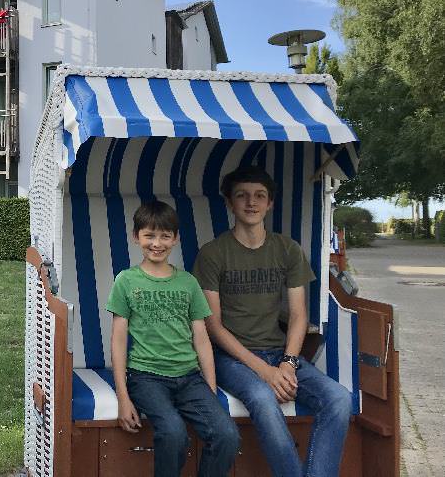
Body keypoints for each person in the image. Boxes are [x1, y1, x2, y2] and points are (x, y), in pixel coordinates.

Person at [193, 166, 352, 477]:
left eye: (259, 196)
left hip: (281, 354)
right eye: (242, 196)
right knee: (264, 398)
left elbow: (298, 315)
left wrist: (288, 364)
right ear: (229, 202)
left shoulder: (287, 249)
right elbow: (214, 326)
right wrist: (264, 370)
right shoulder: (213, 253)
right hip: (231, 358)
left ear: (270, 204)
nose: (251, 203)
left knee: (338, 399)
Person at [106, 200, 239, 477]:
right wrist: (123, 397)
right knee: (174, 432)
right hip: (146, 377)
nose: (157, 243)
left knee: (227, 435)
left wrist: (210, 389)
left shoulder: (188, 282)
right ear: (136, 237)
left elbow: (201, 338)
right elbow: (118, 340)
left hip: (189, 378)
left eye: (165, 236)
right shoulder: (126, 281)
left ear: (176, 239)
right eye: (149, 235)